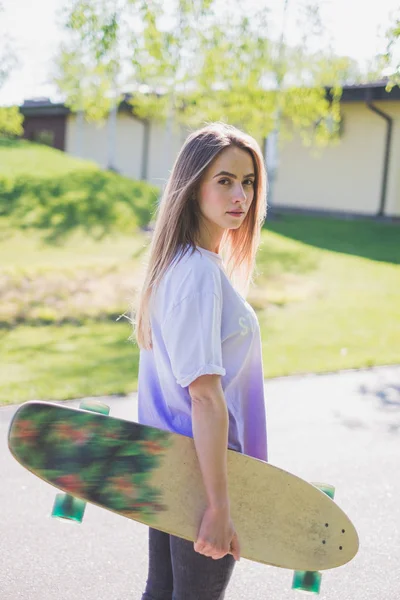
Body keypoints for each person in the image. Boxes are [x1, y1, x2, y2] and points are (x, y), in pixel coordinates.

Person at [133, 122, 268, 600]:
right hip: (202, 473)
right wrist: (218, 503)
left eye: (248, 181)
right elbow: (205, 397)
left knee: (163, 593)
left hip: (172, 467)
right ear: (192, 190)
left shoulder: (181, 266)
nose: (241, 195)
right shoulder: (196, 275)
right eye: (225, 180)